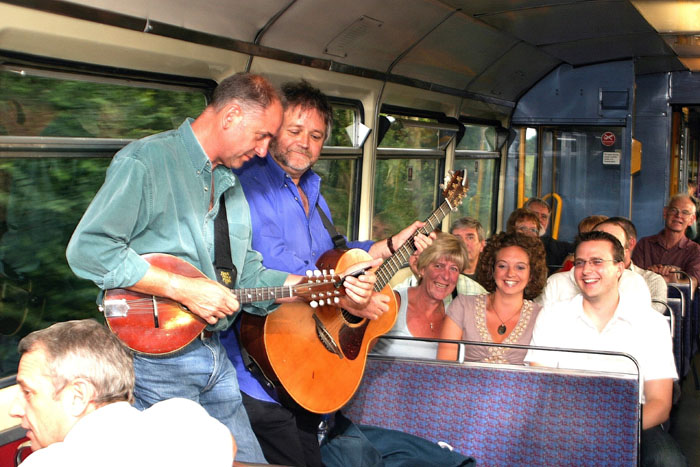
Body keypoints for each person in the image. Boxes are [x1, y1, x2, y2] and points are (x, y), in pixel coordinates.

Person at [65, 73, 378, 463]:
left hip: (215, 356)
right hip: (156, 362)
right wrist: (183, 289)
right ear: (231, 115)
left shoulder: (230, 184)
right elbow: (90, 249)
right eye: (262, 136)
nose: (265, 151)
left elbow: (248, 276)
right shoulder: (147, 162)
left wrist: (321, 286)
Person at [219, 79, 428, 467]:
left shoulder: (312, 190)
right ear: (273, 130)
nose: (305, 142)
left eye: (315, 135)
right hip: (263, 367)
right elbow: (269, 267)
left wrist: (390, 246)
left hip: (306, 366)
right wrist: (347, 292)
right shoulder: (249, 188)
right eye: (295, 131)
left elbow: (334, 252)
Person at [525, 231, 685, 467]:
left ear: (620, 268)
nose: (587, 270)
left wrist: (613, 429)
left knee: (667, 460)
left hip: (631, 417)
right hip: (566, 418)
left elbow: (659, 404)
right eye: (580, 263)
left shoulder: (650, 323)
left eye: (597, 261)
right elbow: (541, 386)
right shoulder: (553, 315)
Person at [9, 319, 235, 467]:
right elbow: (228, 442)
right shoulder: (184, 418)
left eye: (28, 393)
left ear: (78, 396)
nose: (15, 409)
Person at [437, 232, 546, 364]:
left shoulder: (542, 316)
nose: (510, 273)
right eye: (502, 266)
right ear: (492, 269)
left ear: (532, 274)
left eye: (520, 267)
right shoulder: (463, 306)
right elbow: (444, 367)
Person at [373, 233, 470, 359]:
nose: (446, 276)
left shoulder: (454, 317)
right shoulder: (394, 302)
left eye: (454, 269)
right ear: (423, 269)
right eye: (438, 266)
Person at [595, 217, 667, 313]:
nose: (600, 247)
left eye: (611, 241)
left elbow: (652, 315)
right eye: (595, 241)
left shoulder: (651, 280)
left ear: (629, 244)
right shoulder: (580, 276)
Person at [633, 193, 700, 284]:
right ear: (665, 213)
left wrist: (672, 280)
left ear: (692, 220)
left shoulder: (695, 250)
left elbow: (693, 284)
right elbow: (633, 279)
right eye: (674, 210)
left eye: (685, 212)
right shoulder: (644, 244)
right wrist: (650, 274)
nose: (678, 215)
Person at [523, 197, 574, 272]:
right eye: (534, 214)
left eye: (544, 217)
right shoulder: (508, 243)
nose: (539, 219)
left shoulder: (553, 246)